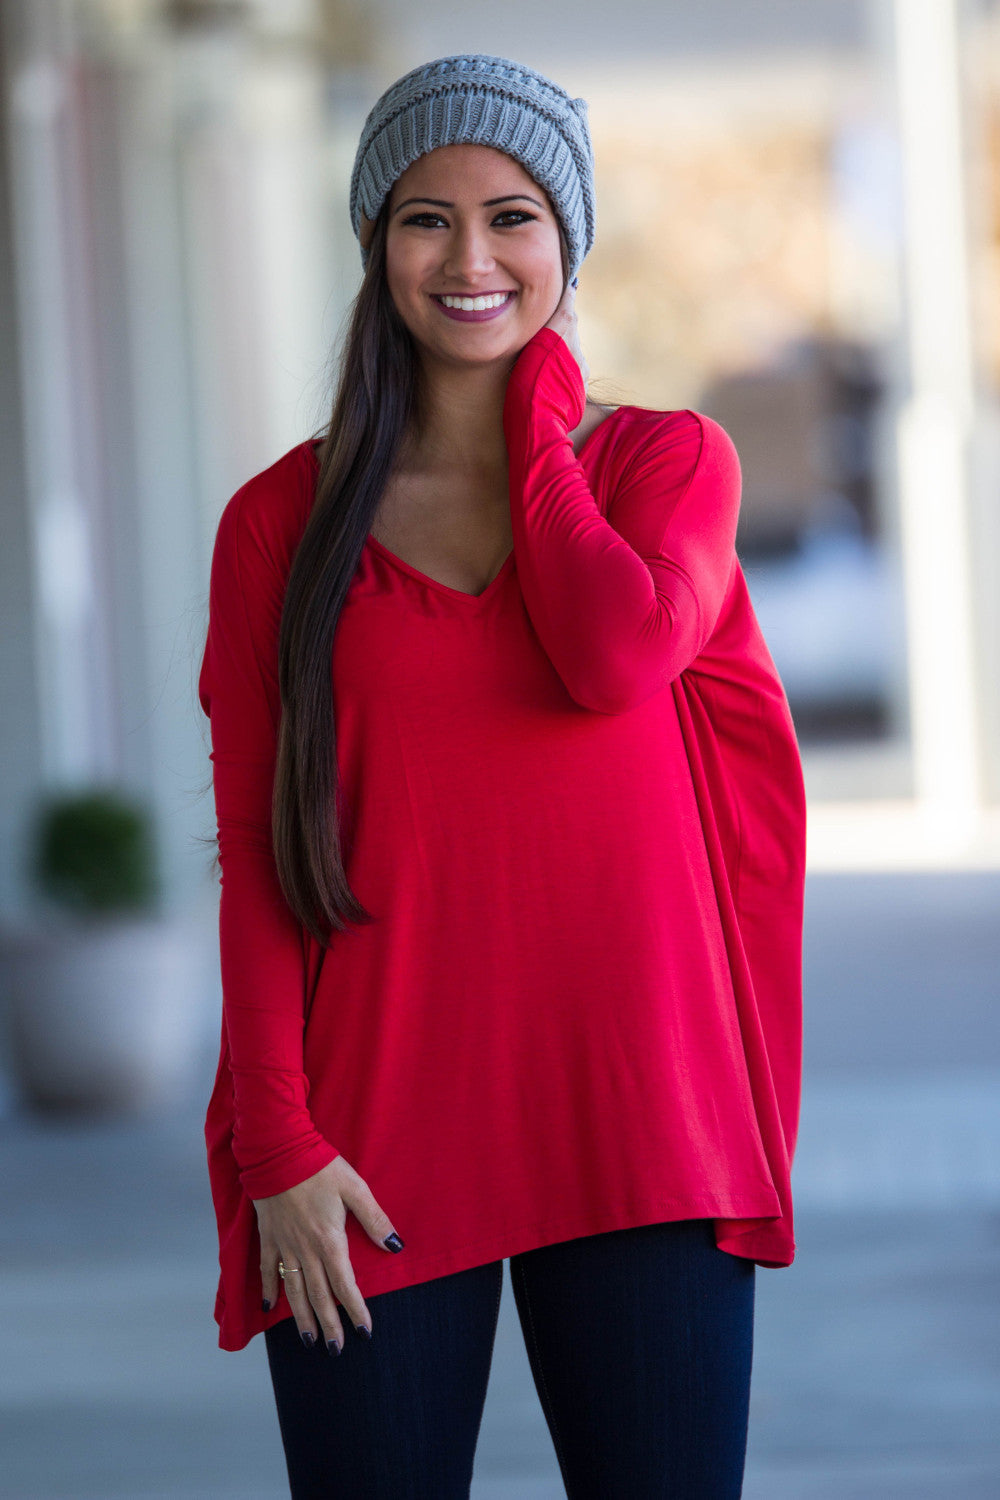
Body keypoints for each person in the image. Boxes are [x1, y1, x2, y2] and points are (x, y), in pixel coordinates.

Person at [198, 52, 806, 1500]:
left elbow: (613, 651)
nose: (470, 257)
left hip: (641, 1119)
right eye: (424, 218)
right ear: (373, 246)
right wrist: (275, 1143)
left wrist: (536, 420)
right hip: (371, 1145)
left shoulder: (668, 466)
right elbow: (255, 844)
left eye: (515, 215)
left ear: (568, 242)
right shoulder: (279, 525)